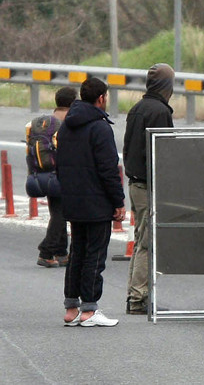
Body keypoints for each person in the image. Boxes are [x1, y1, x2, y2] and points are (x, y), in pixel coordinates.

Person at [57, 77, 126, 327]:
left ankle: (71, 308)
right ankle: (89, 309)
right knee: (94, 256)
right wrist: (118, 201)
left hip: (73, 202)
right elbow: (109, 170)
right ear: (101, 98)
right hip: (96, 203)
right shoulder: (99, 127)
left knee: (76, 253)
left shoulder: (66, 126)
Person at [122, 63, 175, 315]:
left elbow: (127, 147)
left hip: (135, 183)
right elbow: (165, 152)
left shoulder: (137, 108)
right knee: (147, 243)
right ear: (167, 85)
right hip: (149, 184)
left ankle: (135, 294)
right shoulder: (159, 112)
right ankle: (138, 298)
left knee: (140, 238)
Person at [28, 86, 76, 269]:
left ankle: (61, 253)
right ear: (73, 103)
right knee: (61, 214)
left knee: (57, 212)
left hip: (43, 174)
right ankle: (46, 251)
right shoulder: (69, 123)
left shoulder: (45, 122)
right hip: (62, 174)